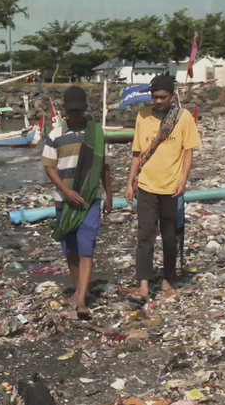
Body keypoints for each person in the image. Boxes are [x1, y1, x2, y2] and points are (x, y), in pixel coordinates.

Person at [124, 75, 201, 301]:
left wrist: (183, 180)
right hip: (147, 185)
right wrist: (130, 182)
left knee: (169, 236)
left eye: (162, 97)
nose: (158, 101)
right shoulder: (143, 115)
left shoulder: (183, 117)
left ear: (171, 96)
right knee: (145, 235)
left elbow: (188, 151)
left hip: (171, 187)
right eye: (154, 97)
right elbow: (137, 152)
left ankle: (168, 282)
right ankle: (144, 287)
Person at [41, 86, 113, 317]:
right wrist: (65, 191)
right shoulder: (55, 135)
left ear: (84, 109)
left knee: (86, 247)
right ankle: (79, 288)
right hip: (65, 200)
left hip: (90, 198)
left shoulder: (95, 134)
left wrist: (109, 194)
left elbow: (103, 165)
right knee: (70, 247)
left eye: (78, 111)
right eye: (71, 112)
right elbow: (49, 167)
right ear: (64, 110)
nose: (75, 116)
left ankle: (81, 299)